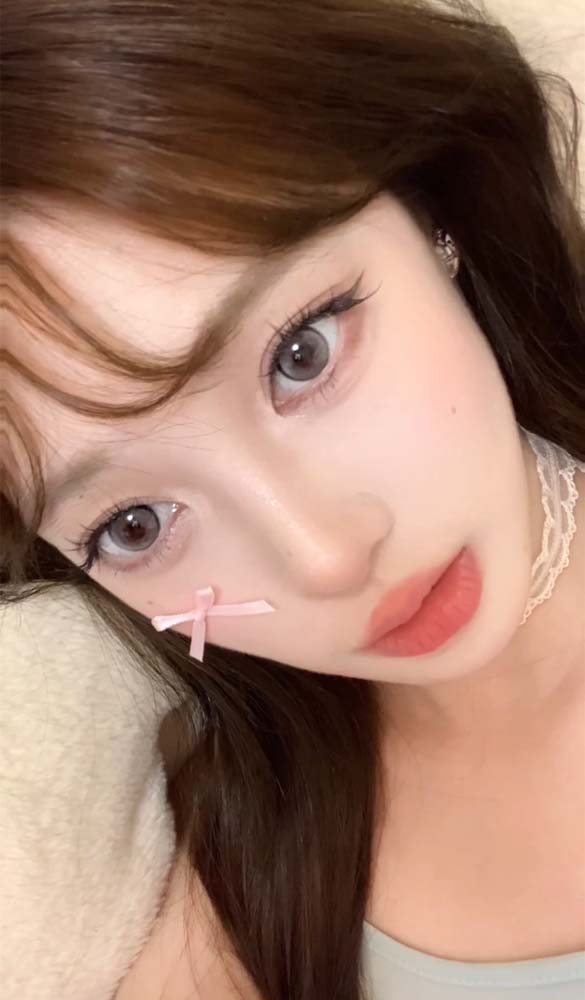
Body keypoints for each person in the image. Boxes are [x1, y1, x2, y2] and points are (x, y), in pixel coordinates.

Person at [1, 1, 584, 997]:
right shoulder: (254, 845)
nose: (325, 556)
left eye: (302, 352)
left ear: (427, 210)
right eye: (135, 526)